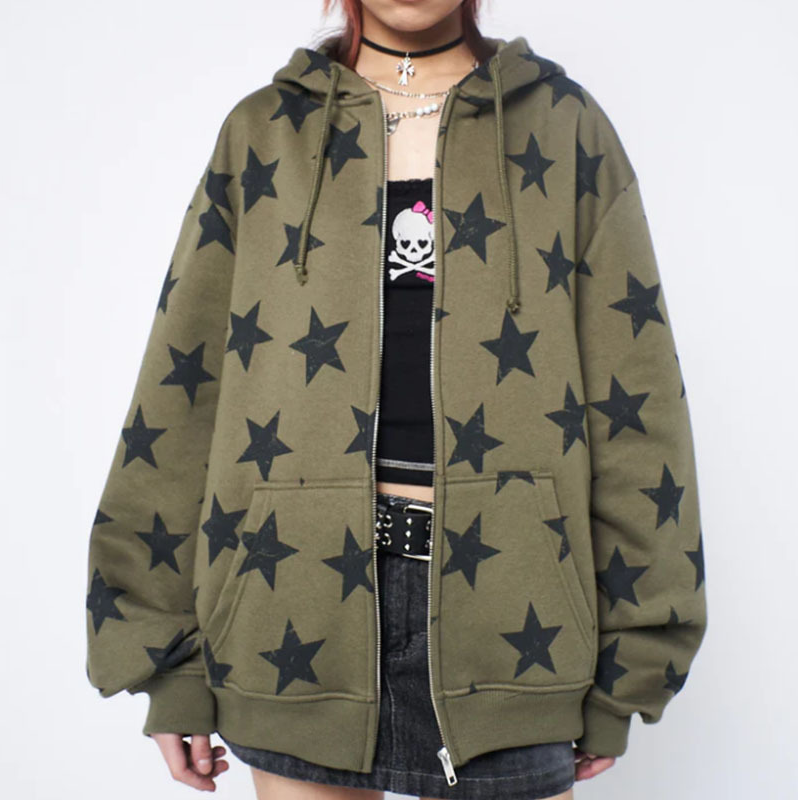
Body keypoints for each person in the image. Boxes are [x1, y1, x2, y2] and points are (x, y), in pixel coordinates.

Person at [84, 1, 709, 798]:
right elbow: (183, 389)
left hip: (514, 616)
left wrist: (633, 665)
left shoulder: (564, 127)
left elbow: (638, 403)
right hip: (292, 609)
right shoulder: (265, 132)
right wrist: (163, 656)